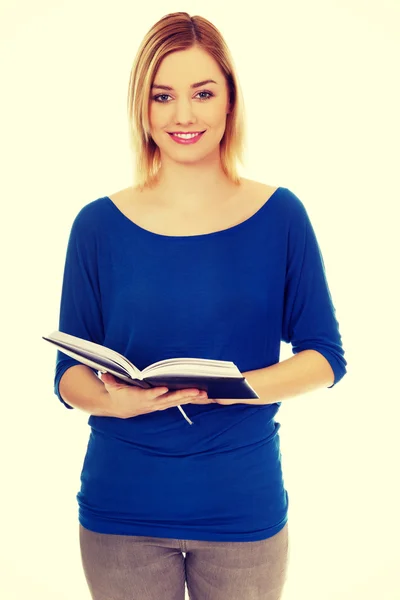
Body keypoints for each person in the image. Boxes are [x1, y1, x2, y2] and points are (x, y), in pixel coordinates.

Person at [53, 11, 347, 600]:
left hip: (242, 509)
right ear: (143, 107)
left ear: (230, 100)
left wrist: (233, 387)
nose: (184, 115)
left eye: (202, 93)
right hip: (121, 512)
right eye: (163, 96)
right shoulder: (97, 225)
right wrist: (118, 400)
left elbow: (326, 358)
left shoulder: (280, 215)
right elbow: (68, 378)